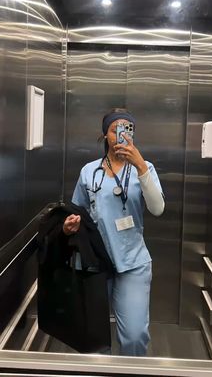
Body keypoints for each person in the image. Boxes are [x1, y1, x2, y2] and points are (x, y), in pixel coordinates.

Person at [63, 108, 165, 356]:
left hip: (132, 262)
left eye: (127, 129)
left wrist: (140, 165)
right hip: (95, 261)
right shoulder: (89, 171)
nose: (121, 134)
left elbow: (157, 208)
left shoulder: (145, 168)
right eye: (114, 129)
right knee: (94, 337)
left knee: (134, 336)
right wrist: (69, 226)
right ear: (105, 135)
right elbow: (78, 212)